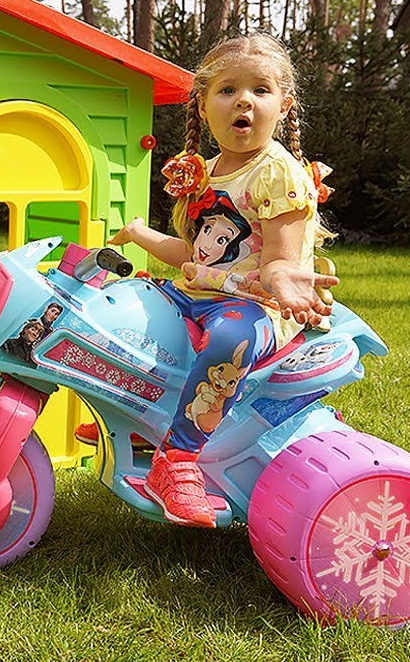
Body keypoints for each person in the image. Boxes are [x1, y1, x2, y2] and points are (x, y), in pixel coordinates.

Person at [105, 34, 339, 527]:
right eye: (228, 90)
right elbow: (192, 255)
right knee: (123, 303)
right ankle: (132, 418)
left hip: (260, 304)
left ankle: (177, 460)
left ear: (283, 106)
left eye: (260, 90)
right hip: (200, 293)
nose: (244, 101)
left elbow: (278, 259)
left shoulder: (279, 173)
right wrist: (139, 233)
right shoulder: (205, 174)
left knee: (231, 338)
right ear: (205, 106)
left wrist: (282, 279)